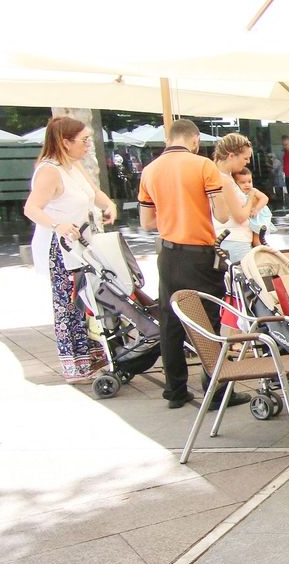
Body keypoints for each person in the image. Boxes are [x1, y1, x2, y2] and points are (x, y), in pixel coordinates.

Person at [138, 121, 251, 409]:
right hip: (199, 252)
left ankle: (175, 390)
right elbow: (223, 214)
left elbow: (146, 222)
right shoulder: (203, 166)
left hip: (167, 252)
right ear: (195, 140)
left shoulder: (150, 170)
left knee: (170, 320)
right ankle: (214, 390)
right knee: (209, 318)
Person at [22, 116, 118, 381]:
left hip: (81, 241)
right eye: (84, 140)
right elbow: (31, 208)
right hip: (61, 245)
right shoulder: (49, 170)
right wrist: (57, 224)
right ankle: (74, 362)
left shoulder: (73, 165)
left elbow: (93, 192)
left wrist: (109, 204)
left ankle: (91, 354)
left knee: (88, 298)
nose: (88, 145)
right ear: (65, 142)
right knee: (68, 302)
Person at [219, 166, 270, 263]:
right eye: (242, 182)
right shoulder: (236, 193)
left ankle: (261, 248)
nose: (247, 185)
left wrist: (256, 209)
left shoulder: (253, 191)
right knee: (254, 235)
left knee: (257, 236)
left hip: (258, 216)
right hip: (249, 220)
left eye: (249, 181)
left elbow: (265, 198)